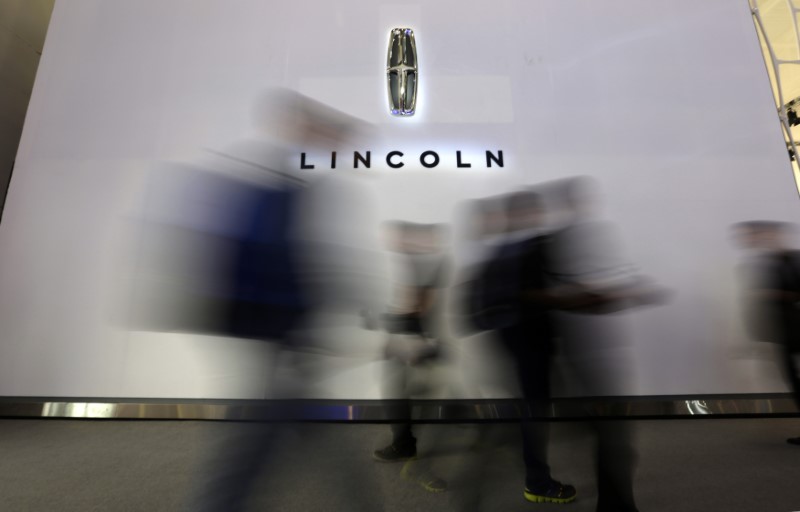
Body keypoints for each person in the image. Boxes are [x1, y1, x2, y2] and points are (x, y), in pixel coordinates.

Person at [372, 221, 449, 492]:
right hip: (412, 341)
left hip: (419, 343)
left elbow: (418, 306)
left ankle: (411, 456)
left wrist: (396, 329)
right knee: (399, 394)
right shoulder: (414, 261)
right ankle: (404, 445)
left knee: (411, 395)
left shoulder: (430, 262)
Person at [734, 220, 800, 445]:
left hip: (795, 331)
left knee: (796, 380)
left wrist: (767, 294)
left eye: (751, 235)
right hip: (784, 334)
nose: (748, 240)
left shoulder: (792, 260)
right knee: (793, 380)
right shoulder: (766, 262)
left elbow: (793, 294)